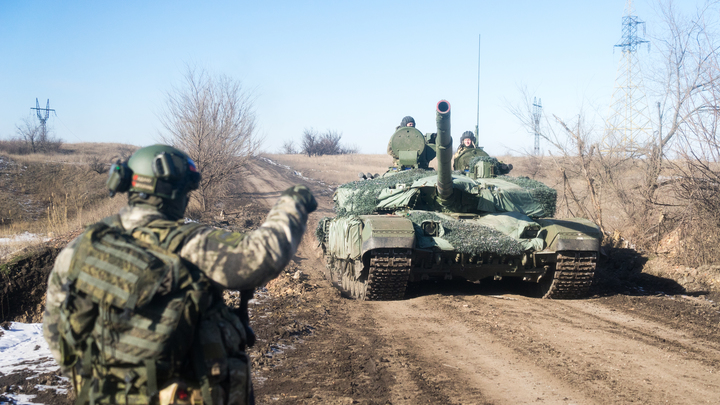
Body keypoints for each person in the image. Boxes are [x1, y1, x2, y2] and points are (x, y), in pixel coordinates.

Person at [43, 144, 316, 405]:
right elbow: (260, 257)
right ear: (174, 193)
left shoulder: (80, 249)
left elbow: (58, 336)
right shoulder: (189, 243)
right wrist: (293, 203)